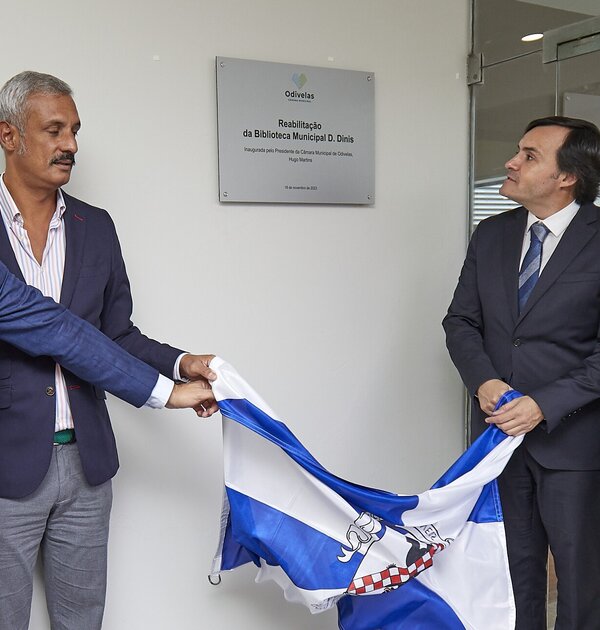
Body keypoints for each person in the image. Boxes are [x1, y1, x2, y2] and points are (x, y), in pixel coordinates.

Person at [0, 71, 216, 630]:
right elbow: (56, 330)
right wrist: (165, 394)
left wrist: (179, 363)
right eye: (53, 130)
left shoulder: (96, 227)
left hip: (87, 465)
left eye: (74, 130)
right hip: (5, 465)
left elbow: (115, 334)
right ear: (9, 135)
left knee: (83, 620)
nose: (70, 144)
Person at [443, 116, 600, 630]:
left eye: (530, 156)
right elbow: (461, 321)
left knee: (580, 585)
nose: (511, 162)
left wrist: (543, 404)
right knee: (511, 577)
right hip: (498, 442)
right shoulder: (492, 233)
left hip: (575, 446)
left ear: (567, 177)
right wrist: (484, 380)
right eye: (518, 150)